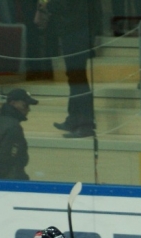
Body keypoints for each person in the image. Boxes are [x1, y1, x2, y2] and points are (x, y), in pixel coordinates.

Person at [38, 0, 99, 138]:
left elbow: (65, 6)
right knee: (74, 77)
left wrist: (48, 5)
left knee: (78, 78)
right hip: (76, 30)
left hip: (76, 31)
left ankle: (85, 124)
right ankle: (74, 118)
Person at [0, 88, 37, 180]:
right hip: (11, 182)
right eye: (25, 105)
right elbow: (9, 159)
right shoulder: (13, 127)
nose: (28, 110)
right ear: (13, 103)